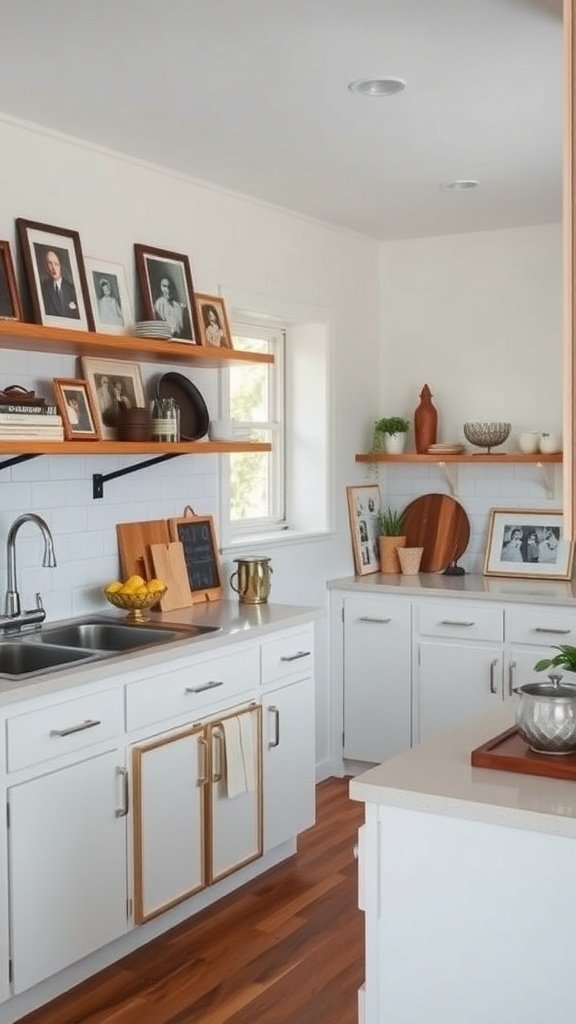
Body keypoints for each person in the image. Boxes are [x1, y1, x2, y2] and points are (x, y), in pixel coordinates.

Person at [40, 249, 80, 319]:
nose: (53, 268)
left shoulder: (71, 289)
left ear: (61, 266)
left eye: (56, 264)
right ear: (46, 267)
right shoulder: (43, 287)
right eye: (50, 263)